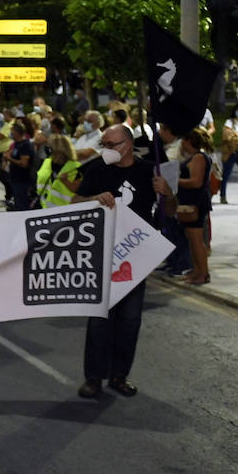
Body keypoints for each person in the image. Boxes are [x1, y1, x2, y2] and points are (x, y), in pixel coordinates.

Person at [74, 124, 175, 399]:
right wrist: (93, 199)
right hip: (102, 253)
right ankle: (93, 378)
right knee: (99, 319)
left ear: (126, 145)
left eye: (110, 144)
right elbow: (75, 200)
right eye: (103, 144)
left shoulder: (148, 172)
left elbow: (171, 211)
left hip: (135, 255)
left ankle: (120, 376)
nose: (105, 149)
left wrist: (166, 192)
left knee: (130, 320)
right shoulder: (97, 170)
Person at [176, 129, 214, 286]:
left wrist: (176, 181)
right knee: (192, 239)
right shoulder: (196, 157)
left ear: (189, 141)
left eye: (183, 140)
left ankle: (203, 273)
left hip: (196, 203)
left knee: (197, 240)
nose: (182, 143)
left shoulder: (198, 158)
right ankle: (197, 271)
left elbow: (196, 182)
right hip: (191, 202)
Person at [36, 134, 82, 208]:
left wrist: (65, 181)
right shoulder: (46, 162)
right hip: (44, 208)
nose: (47, 148)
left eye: (49, 146)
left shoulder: (75, 166)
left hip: (64, 211)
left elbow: (79, 191)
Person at [3, 117, 38, 210]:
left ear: (17, 132)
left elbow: (24, 163)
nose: (11, 134)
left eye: (12, 131)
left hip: (23, 180)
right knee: (18, 202)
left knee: (22, 204)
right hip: (15, 179)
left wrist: (9, 159)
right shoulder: (17, 144)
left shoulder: (25, 145)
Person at [219, 106, 238, 204]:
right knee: (225, 175)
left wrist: (237, 135)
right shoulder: (229, 122)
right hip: (230, 152)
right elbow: (226, 135)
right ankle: (223, 195)